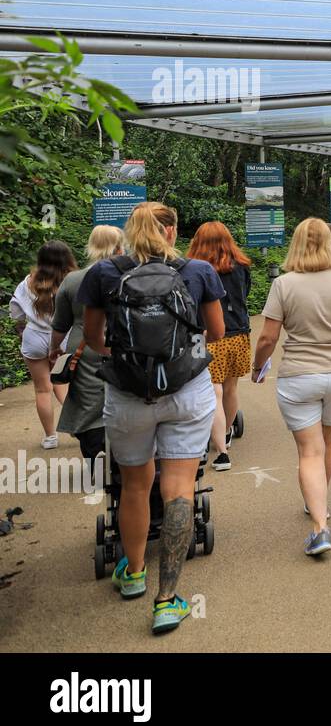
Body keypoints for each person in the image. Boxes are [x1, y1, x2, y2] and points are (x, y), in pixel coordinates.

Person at [79, 202, 226, 634]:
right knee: (179, 485)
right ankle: (167, 600)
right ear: (172, 231)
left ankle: (134, 573)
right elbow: (215, 333)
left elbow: (92, 337)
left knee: (135, 485)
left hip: (127, 396)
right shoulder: (197, 271)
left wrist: (125, 361)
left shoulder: (104, 274)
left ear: (130, 231)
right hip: (187, 391)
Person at [254, 218, 331, 558]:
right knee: (327, 442)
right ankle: (321, 503)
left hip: (299, 376)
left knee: (309, 451)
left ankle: (319, 526)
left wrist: (258, 367)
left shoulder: (284, 284)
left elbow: (268, 337)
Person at [49, 226, 124, 462]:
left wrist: (54, 349)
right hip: (119, 344)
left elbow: (60, 323)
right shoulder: (128, 275)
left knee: (87, 405)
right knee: (124, 399)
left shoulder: (72, 279)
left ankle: (95, 451)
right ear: (120, 247)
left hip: (83, 350)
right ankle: (121, 455)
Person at [187, 222, 252, 472]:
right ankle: (224, 433)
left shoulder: (194, 270)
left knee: (211, 389)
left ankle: (212, 440)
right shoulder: (242, 267)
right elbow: (245, 295)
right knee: (230, 388)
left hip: (205, 335)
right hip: (237, 332)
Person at [10, 240, 76, 449]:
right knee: (62, 383)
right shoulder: (71, 281)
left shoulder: (28, 282)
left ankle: (50, 437)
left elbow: (16, 313)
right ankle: (76, 429)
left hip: (34, 337)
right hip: (63, 337)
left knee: (42, 390)